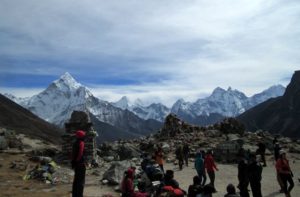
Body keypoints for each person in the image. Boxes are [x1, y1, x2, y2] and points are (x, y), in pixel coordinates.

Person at [71, 130, 86, 197]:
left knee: (76, 180)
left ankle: (74, 194)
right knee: (81, 181)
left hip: (75, 164)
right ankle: (79, 195)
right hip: (80, 164)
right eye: (83, 135)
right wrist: (78, 161)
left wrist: (73, 162)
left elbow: (72, 154)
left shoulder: (75, 143)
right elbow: (80, 153)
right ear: (81, 136)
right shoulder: (81, 143)